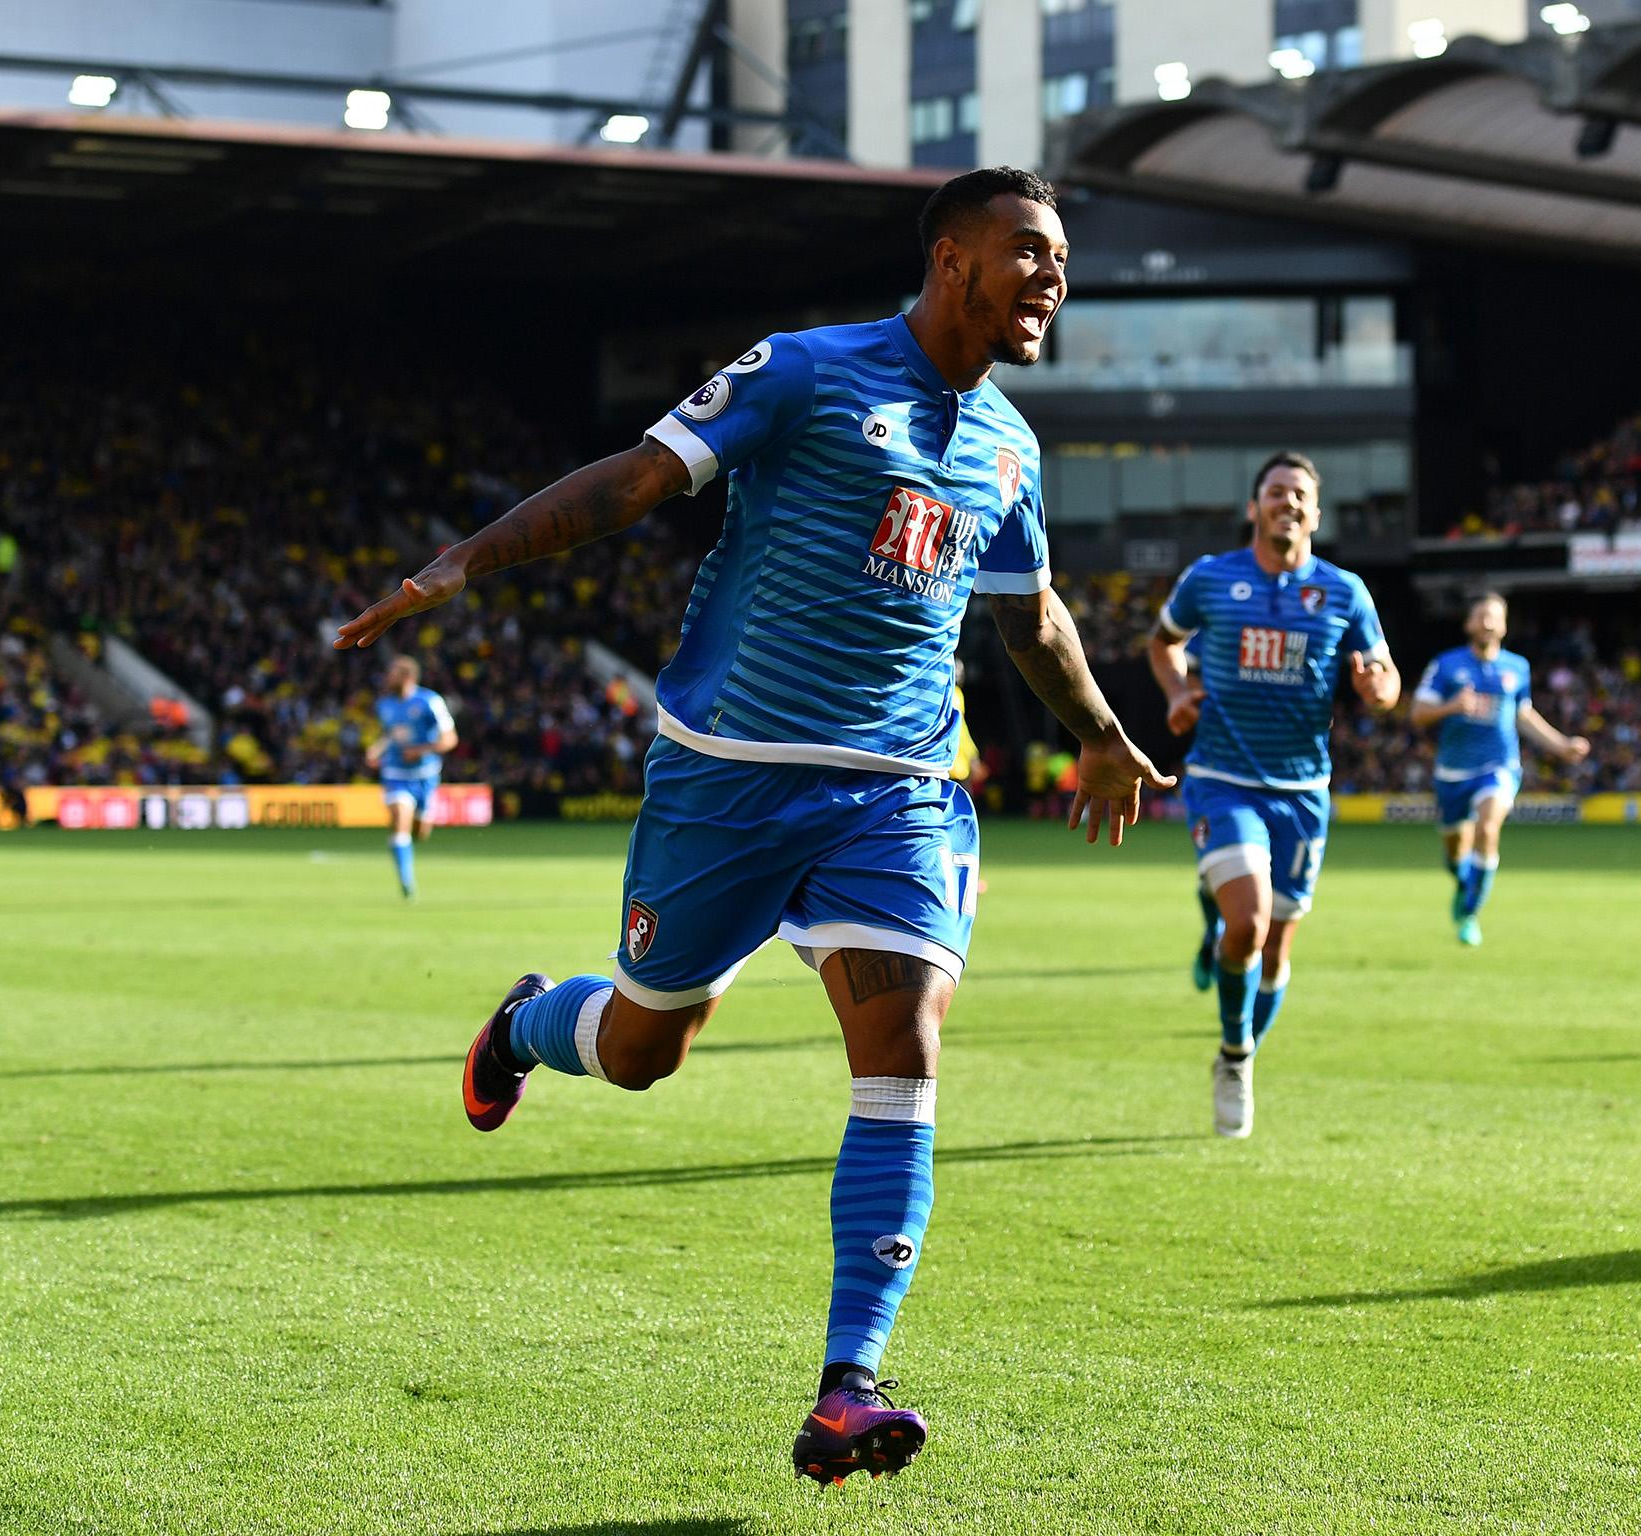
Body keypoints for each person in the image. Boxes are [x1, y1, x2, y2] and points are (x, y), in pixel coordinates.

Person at [333, 167, 1172, 1484]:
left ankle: (850, 1383)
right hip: (725, 777)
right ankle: (525, 1024)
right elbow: (633, 483)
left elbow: (1030, 617)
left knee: (902, 1042)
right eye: (1030, 253)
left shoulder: (1010, 446)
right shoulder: (809, 370)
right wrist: (458, 566)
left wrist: (1105, 738)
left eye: (1060, 260)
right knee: (639, 1049)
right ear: (952, 259)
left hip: (894, 789)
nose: (1052, 281)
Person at [1148, 452, 1398, 1139]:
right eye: (1276, 492)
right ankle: (1234, 1060)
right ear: (1255, 507)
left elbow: (1384, 670)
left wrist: (1380, 689)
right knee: (1250, 924)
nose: (1288, 503)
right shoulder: (1211, 578)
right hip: (1223, 777)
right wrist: (1175, 693)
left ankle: (1241, 1034)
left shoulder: (1345, 592)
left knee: (1277, 949)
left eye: (1300, 495)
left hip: (1302, 790)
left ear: (1317, 514)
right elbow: (1163, 643)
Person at [1409, 592, 1589, 946]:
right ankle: (1463, 882)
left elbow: (1523, 715)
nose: (1487, 622)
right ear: (1468, 624)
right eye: (1481, 615)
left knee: (1488, 828)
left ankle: (1470, 913)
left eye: (1494, 616)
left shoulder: (1516, 668)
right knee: (1454, 852)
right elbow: (1417, 714)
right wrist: (1452, 707)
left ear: (1504, 626)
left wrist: (1561, 744)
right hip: (1452, 772)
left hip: (1499, 764)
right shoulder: (1446, 665)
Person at [364, 655, 457, 899]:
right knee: (399, 822)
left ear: (407, 677)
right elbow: (391, 735)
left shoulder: (430, 701)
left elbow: (450, 739)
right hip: (395, 773)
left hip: (425, 775)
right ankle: (406, 880)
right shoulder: (384, 705)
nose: (387, 677)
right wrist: (377, 749)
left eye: (392, 673)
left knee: (420, 833)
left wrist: (420, 750)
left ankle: (405, 844)